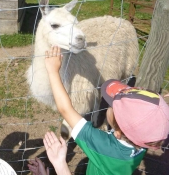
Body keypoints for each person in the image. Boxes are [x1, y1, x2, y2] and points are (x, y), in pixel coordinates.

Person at [43, 46, 169, 175]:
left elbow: (66, 110)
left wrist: (53, 71)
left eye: (113, 105)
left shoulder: (104, 147)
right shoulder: (145, 140)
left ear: (118, 133)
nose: (110, 103)